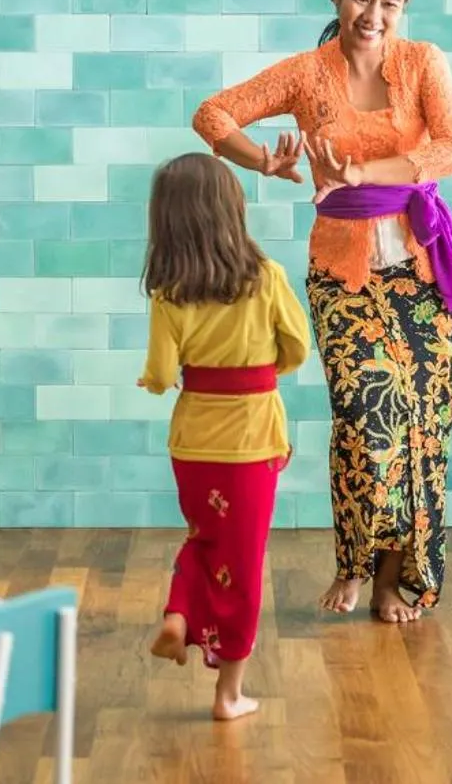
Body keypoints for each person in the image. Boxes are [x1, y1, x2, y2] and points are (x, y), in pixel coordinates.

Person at [191, 0, 452, 624]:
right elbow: (212, 114)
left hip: (423, 271)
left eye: (390, 3)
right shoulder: (304, 74)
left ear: (405, 7)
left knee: (420, 427)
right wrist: (262, 160)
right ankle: (352, 561)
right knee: (363, 417)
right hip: (341, 276)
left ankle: (389, 582)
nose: (373, 15)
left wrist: (366, 172)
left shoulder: (423, 62)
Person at [140, 152, 310, 721]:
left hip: (193, 443)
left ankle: (178, 614)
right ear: (232, 209)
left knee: (204, 538)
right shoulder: (267, 278)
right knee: (243, 559)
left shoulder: (168, 294)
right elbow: (297, 347)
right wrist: (262, 370)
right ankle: (229, 694)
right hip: (252, 441)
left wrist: (154, 380)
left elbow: (161, 374)